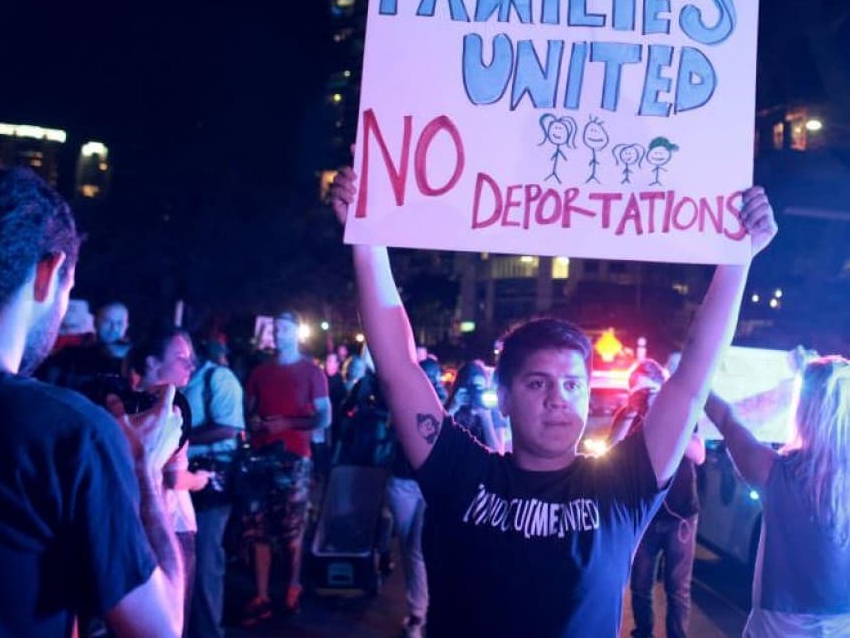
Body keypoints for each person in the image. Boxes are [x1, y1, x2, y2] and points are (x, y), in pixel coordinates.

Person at [327, 166, 776, 637]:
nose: (558, 399)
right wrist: (366, 240)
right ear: (503, 397)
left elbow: (690, 383)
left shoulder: (621, 486)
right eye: (538, 384)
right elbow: (398, 366)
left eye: (573, 385)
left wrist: (737, 261)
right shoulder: (460, 472)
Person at [0, 167, 185, 637]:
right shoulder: (70, 434)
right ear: (49, 272)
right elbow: (159, 629)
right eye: (68, 290)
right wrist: (144, 470)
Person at [704, 357, 850, 637]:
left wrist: (695, 372)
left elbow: (726, 418)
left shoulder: (773, 472)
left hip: (783, 629)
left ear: (806, 410)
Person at [239, 311, 331, 624]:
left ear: (297, 333)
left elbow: (324, 417)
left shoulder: (312, 372)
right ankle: (262, 594)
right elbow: (248, 411)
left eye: (286, 329)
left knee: (293, 527)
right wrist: (253, 422)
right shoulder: (260, 372)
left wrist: (288, 423)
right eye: (276, 329)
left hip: (294, 458)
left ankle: (293, 585)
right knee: (259, 526)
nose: (280, 334)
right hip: (262, 458)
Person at [608, 359, 705, 638]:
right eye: (639, 390)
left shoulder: (682, 413)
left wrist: (665, 414)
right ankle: (643, 634)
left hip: (681, 515)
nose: (645, 396)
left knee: (678, 589)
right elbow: (609, 454)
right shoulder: (627, 416)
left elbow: (698, 455)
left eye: (651, 391)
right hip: (643, 516)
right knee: (640, 585)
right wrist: (632, 412)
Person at [131, 329, 211, 637]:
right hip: (170, 526)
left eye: (192, 360)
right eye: (180, 358)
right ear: (152, 363)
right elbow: (176, 477)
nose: (190, 366)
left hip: (131, 519)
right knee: (170, 620)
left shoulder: (118, 406)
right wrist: (201, 480)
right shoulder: (172, 410)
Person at [183, 339, 244, 638]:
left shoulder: (218, 379)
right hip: (180, 481)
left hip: (212, 483)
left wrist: (181, 438)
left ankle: (208, 631)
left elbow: (229, 427)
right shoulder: (176, 382)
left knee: (206, 560)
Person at [384, 357, 447, 638]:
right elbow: (392, 431)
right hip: (401, 481)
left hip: (431, 485)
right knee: (410, 551)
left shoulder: (448, 401)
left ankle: (419, 615)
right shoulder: (400, 397)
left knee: (419, 549)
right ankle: (418, 609)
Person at [37, 300, 131, 392]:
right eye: (107, 321)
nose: (113, 328)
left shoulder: (134, 358)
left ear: (127, 325)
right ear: (95, 322)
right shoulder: (71, 351)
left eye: (119, 323)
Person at [446, 360, 504, 452]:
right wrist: (452, 408)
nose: (476, 394)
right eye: (471, 389)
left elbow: (498, 453)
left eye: (480, 389)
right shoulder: (455, 407)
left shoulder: (492, 410)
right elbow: (436, 441)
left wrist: (486, 418)